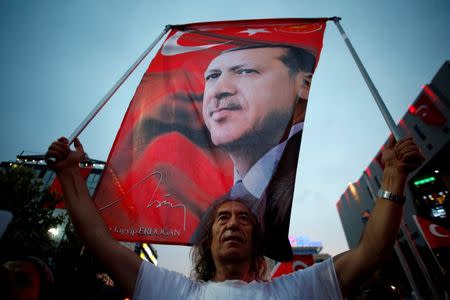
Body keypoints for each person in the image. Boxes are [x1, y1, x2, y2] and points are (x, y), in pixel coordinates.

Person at [45, 134, 424, 299]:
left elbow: (371, 252)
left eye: (244, 218)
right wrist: (67, 174)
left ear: (256, 241)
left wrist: (393, 178)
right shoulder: (174, 292)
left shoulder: (293, 291)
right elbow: (99, 241)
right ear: (208, 240)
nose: (232, 223)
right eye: (223, 218)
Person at [194, 45, 315, 260]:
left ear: (304, 84)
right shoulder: (213, 212)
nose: (219, 89)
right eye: (212, 76)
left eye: (245, 71)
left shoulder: (313, 174)